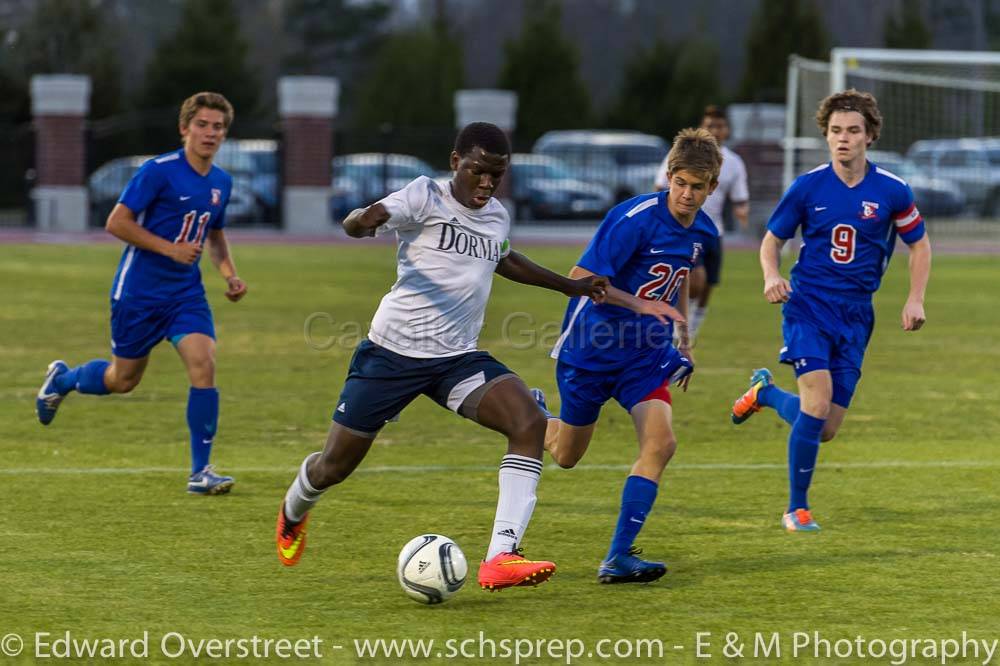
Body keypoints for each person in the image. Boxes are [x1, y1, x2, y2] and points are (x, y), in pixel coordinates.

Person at [275, 122, 609, 592]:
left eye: (497, 174)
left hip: (456, 359)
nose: (487, 183)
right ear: (456, 163)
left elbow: (503, 258)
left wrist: (569, 286)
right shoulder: (423, 196)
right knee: (334, 466)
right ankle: (294, 508)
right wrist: (360, 223)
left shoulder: (495, 216)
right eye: (478, 171)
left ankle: (501, 556)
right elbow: (365, 217)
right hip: (391, 355)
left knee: (529, 421)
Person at [730, 89, 931, 533]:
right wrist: (770, 275)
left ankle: (764, 394)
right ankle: (796, 509)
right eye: (835, 131)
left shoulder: (893, 190)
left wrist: (915, 297)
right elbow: (771, 241)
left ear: (870, 136)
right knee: (816, 404)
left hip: (858, 315)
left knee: (824, 427)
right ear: (825, 134)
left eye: (853, 131)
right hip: (808, 306)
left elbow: (919, 244)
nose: (843, 139)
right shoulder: (807, 186)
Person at [534, 128, 721, 584]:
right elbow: (581, 277)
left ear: (712, 187)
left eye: (698, 187)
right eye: (680, 183)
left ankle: (618, 557)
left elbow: (673, 281)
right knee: (565, 456)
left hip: (644, 355)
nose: (687, 194)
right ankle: (533, 417)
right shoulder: (634, 217)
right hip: (591, 350)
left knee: (661, 445)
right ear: (668, 177)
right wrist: (640, 304)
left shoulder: (704, 231)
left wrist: (684, 337)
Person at [35, 92, 247, 495]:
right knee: (123, 379)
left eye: (218, 127)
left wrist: (229, 274)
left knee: (204, 363)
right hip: (138, 294)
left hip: (186, 295)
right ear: (185, 128)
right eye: (202, 124)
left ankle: (200, 473)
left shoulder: (222, 181)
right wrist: (170, 249)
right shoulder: (157, 171)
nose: (210, 133)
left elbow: (214, 233)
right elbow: (116, 223)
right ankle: (63, 380)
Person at [655, 105, 749, 341]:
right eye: (710, 126)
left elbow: (739, 198)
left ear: (727, 130)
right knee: (693, 280)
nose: (715, 131)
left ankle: (691, 328)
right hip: (684, 229)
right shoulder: (682, 155)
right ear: (702, 127)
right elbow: (659, 187)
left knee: (708, 284)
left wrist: (741, 211)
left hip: (713, 230)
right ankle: (676, 324)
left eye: (719, 126)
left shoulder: (735, 163)